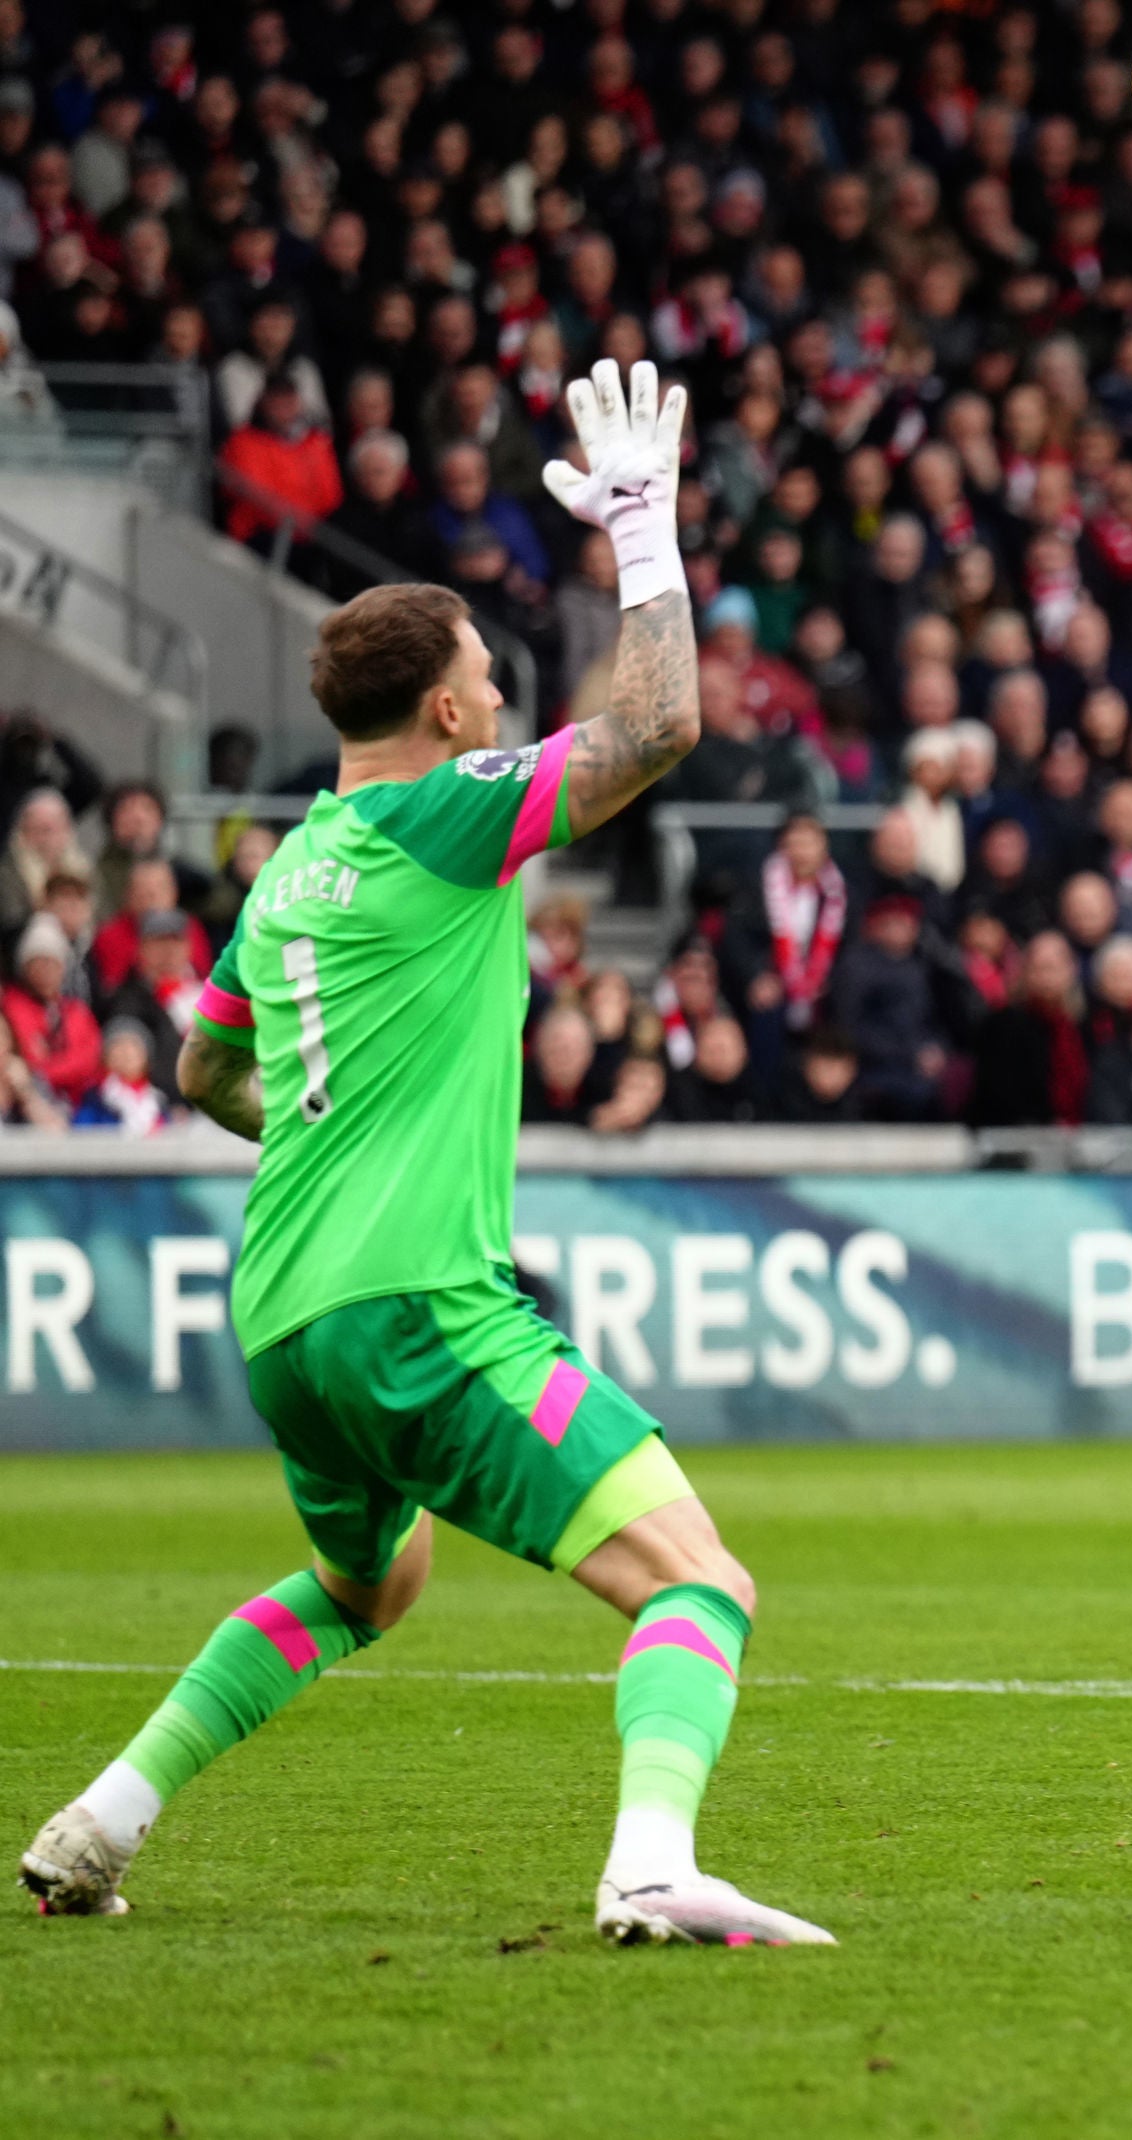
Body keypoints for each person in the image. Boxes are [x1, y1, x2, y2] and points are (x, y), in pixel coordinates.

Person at [19, 363, 833, 1948]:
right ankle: (652, 1866)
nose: (508, 705)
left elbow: (201, 1063)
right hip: (415, 1305)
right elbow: (659, 720)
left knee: (373, 1585)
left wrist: (326, 1133)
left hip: (284, 1313)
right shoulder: (445, 816)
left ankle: (102, 1819)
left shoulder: (288, 867)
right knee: (699, 1584)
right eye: (489, 682)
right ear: (450, 714)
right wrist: (646, 529)